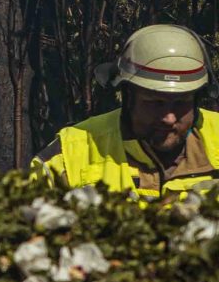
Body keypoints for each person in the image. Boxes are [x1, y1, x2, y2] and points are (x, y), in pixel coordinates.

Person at [39, 23, 219, 197]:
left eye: (181, 103)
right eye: (155, 102)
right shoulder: (71, 153)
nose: (169, 118)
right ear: (127, 96)